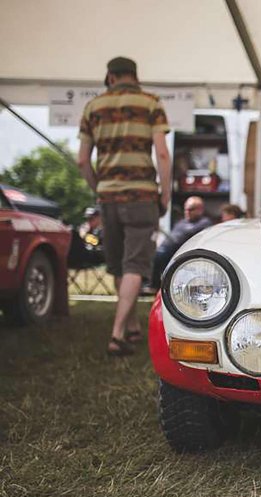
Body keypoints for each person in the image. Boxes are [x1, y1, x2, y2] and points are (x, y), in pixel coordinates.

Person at [76, 56, 171, 357]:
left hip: (108, 197)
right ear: (135, 76)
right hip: (142, 196)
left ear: (111, 77)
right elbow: (162, 154)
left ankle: (132, 327)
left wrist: (99, 188)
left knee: (118, 264)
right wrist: (165, 194)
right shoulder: (150, 102)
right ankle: (117, 334)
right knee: (134, 266)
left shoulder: (93, 107)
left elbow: (82, 160)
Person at [149, 196, 212, 290]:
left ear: (200, 209)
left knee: (158, 257)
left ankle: (155, 286)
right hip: (166, 250)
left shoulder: (204, 223)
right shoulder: (181, 222)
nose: (187, 212)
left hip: (181, 253)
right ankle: (154, 285)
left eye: (191, 209)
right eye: (185, 209)